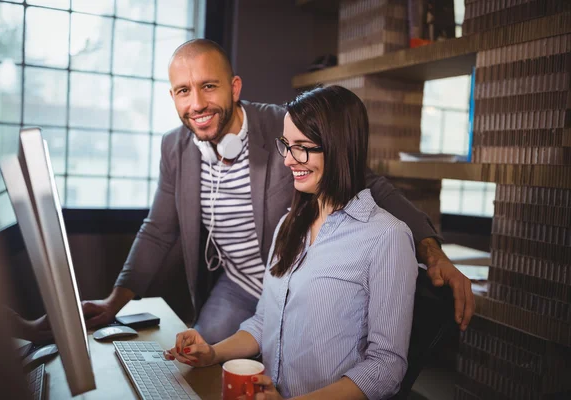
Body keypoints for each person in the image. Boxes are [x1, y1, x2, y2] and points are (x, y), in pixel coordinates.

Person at [82, 39, 474, 343]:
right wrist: (114, 302)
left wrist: (430, 248)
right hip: (236, 286)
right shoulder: (175, 147)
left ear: (234, 88)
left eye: (208, 86)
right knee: (198, 360)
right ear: (173, 97)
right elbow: (158, 230)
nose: (197, 103)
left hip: (294, 283)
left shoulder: (283, 125)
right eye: (183, 91)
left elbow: (368, 181)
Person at [165, 85, 418, 399]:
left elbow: (386, 368)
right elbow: (265, 321)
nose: (288, 160)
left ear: (340, 147)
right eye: (286, 144)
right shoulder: (289, 225)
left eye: (303, 146)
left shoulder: (387, 238)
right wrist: (213, 353)